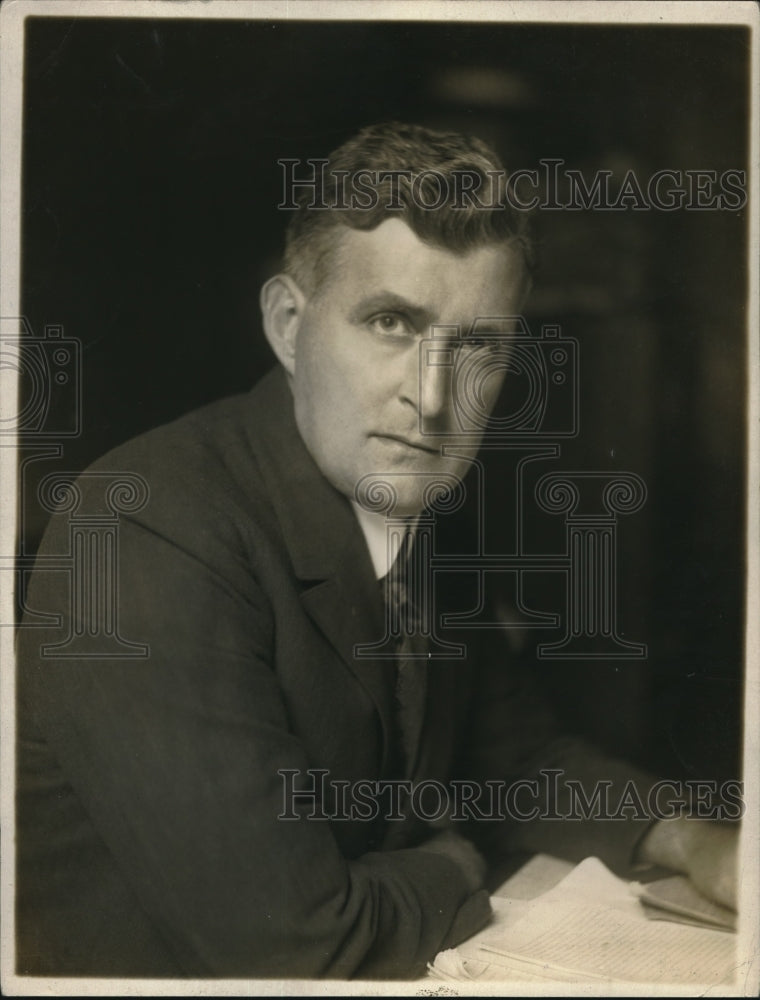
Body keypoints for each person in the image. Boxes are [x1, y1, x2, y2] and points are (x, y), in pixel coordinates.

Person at [15, 122, 738, 980]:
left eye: (477, 347)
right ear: (289, 324)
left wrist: (695, 841)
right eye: (392, 322)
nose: (431, 401)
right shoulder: (144, 530)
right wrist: (452, 865)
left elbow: (512, 757)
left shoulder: (407, 498)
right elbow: (289, 944)